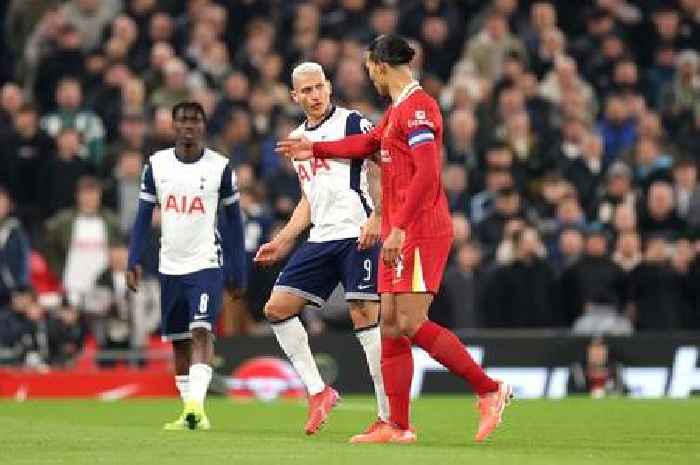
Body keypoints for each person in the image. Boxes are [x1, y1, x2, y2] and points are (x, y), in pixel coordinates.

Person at [277, 35, 511, 444]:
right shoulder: (397, 110)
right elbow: (364, 145)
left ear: (380, 66)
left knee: (410, 322)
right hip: (400, 228)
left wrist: (398, 226)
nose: (371, 77)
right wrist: (314, 148)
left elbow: (427, 174)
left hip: (419, 227)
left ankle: (489, 389)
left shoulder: (419, 108)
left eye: (371, 70)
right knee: (389, 327)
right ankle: (396, 425)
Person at [254, 62, 388, 438]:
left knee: (364, 314)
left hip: (356, 232)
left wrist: (378, 216)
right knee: (276, 308)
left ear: (329, 87)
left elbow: (384, 167)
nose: (314, 96)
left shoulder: (352, 123)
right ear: (294, 97)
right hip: (320, 238)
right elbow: (309, 201)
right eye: (306, 91)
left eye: (319, 88)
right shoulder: (298, 138)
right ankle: (318, 392)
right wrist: (284, 238)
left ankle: (387, 415)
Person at [127, 101, 247, 430]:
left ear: (203, 126)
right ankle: (190, 413)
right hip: (170, 265)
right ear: (173, 126)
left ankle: (196, 405)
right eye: (183, 121)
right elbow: (141, 217)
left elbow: (235, 224)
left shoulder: (220, 167)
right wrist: (133, 258)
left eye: (195, 121)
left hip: (206, 262)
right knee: (179, 342)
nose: (189, 126)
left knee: (201, 331)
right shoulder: (156, 165)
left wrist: (239, 269)